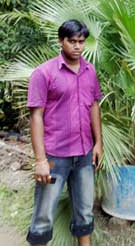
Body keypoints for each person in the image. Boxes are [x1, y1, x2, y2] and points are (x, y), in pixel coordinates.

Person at [26, 19, 102, 246]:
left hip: (84, 154)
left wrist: (98, 143)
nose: (77, 46)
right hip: (54, 157)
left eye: (81, 42)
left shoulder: (90, 70)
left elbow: (94, 106)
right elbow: (36, 116)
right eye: (72, 41)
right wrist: (40, 160)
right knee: (43, 214)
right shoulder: (43, 73)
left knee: (85, 210)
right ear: (60, 41)